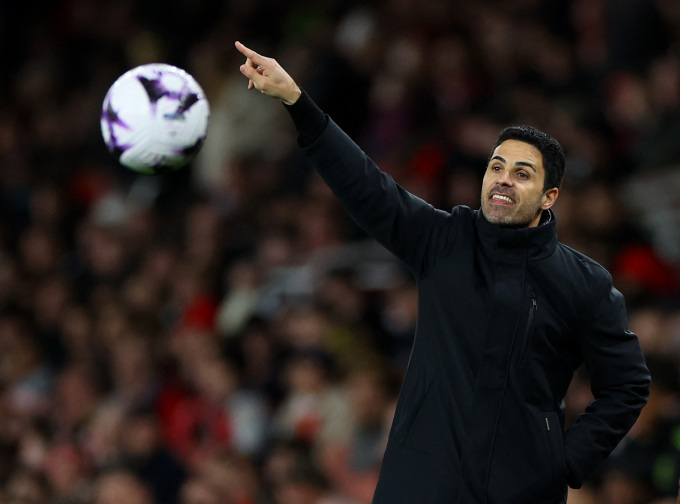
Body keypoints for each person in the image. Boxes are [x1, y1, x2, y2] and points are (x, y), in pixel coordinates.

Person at [234, 41, 651, 504]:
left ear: (549, 197)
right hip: (418, 484)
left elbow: (628, 385)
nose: (503, 179)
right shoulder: (444, 239)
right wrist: (298, 102)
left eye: (522, 173)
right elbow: (367, 186)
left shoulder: (585, 283)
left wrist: (564, 461)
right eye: (496, 166)